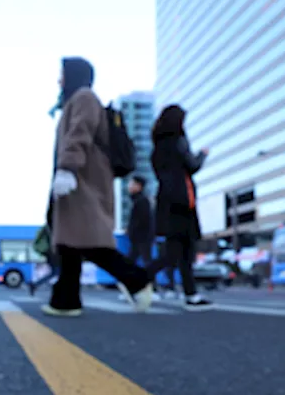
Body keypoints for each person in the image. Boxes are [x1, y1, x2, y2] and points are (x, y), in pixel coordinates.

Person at [45, 57, 152, 316]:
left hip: (83, 182)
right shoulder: (78, 100)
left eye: (62, 74)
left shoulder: (84, 98)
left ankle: (137, 279)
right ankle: (66, 301)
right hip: (80, 181)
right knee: (71, 243)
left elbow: (80, 132)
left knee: (90, 243)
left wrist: (68, 168)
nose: (59, 79)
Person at [146, 105, 211, 309]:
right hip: (183, 202)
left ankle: (190, 294)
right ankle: (189, 295)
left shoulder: (156, 148)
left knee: (173, 252)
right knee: (183, 253)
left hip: (167, 201)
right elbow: (192, 166)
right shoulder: (179, 142)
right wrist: (202, 154)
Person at [125, 176, 154, 268]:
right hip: (139, 239)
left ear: (139, 186)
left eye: (132, 184)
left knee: (145, 261)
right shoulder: (137, 200)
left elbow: (141, 221)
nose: (129, 186)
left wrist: (131, 231)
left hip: (142, 239)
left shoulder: (142, 201)